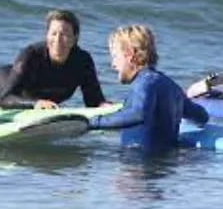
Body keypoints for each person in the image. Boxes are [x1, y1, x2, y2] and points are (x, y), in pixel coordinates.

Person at [88, 25, 209, 153]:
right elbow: (201, 117)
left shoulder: (145, 82)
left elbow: (138, 114)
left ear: (130, 55)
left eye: (115, 56)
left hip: (139, 165)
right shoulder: (172, 87)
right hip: (165, 168)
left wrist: (92, 123)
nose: (113, 64)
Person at [0, 9, 107, 109]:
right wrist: (35, 104)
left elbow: (93, 101)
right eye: (53, 33)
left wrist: (104, 106)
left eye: (64, 34)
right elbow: (6, 98)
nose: (58, 40)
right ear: (46, 35)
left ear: (75, 38)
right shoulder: (31, 54)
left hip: (13, 76)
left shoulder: (83, 61)